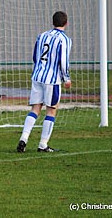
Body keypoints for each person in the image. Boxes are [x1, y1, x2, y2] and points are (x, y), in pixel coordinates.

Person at [16, 11, 72, 153]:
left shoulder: (41, 36)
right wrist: (66, 78)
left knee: (35, 109)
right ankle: (43, 144)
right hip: (52, 80)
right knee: (51, 111)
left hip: (37, 76)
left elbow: (35, 56)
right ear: (66, 23)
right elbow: (63, 61)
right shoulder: (64, 39)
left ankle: (24, 138)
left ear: (53, 22)